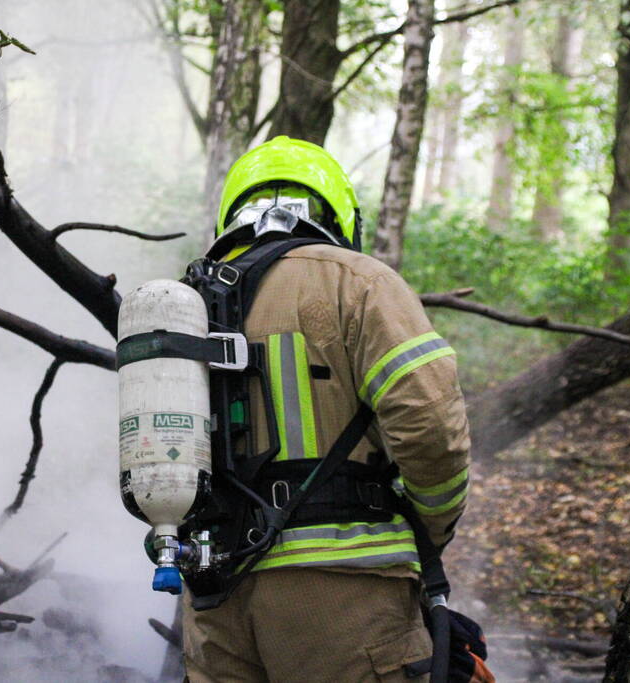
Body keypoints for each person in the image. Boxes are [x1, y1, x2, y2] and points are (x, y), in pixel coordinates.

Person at [182, 136, 470, 682]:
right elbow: (431, 423)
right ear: (337, 212)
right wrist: (429, 531)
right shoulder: (358, 281)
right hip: (343, 594)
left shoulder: (186, 301)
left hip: (215, 598)